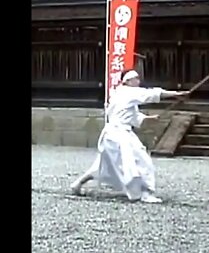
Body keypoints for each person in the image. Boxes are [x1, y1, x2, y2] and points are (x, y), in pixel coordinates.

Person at [69, 69, 189, 203]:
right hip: (120, 135)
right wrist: (176, 94)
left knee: (102, 165)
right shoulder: (128, 92)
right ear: (128, 81)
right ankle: (145, 192)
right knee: (142, 161)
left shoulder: (118, 94)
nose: (138, 81)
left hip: (110, 135)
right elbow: (151, 93)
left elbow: (131, 116)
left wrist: (148, 119)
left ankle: (78, 184)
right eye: (136, 78)